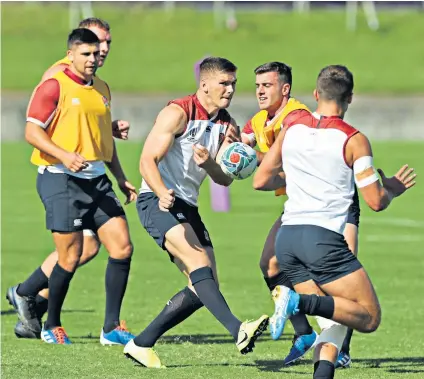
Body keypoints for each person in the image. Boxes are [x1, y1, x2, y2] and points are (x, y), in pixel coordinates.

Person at [253, 65, 416, 379]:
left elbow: (261, 180)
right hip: (323, 241)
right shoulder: (354, 140)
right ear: (350, 98)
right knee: (368, 317)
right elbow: (374, 201)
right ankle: (295, 301)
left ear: (315, 95)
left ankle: (322, 370)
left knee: (334, 316)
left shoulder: (292, 125)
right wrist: (392, 189)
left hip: (287, 240)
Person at [124, 57, 269, 368]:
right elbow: (146, 160)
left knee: (205, 283)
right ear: (204, 84)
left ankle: (141, 343)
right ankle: (238, 329)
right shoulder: (178, 113)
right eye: (224, 83)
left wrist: (210, 164)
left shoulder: (226, 124)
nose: (230, 89)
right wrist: (162, 192)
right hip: (156, 200)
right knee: (198, 263)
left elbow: (224, 179)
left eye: (233, 84)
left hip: (187, 205)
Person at [7, 28, 137, 345]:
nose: (93, 58)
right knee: (70, 255)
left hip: (97, 180)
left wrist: (120, 177)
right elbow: (31, 132)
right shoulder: (54, 84)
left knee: (122, 246)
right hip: (59, 178)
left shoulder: (103, 88)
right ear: (71, 55)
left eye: (97, 53)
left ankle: (110, 328)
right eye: (86, 53)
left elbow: (104, 140)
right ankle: (52, 324)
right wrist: (64, 155)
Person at [241, 62, 360, 367]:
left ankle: (338, 348)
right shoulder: (258, 120)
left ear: (285, 89)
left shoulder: (295, 117)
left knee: (335, 279)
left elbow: (281, 163)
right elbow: (243, 140)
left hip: (335, 203)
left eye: (267, 85)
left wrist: (252, 158)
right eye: (257, 86)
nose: (260, 92)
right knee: (269, 264)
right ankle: (306, 333)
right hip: (302, 206)